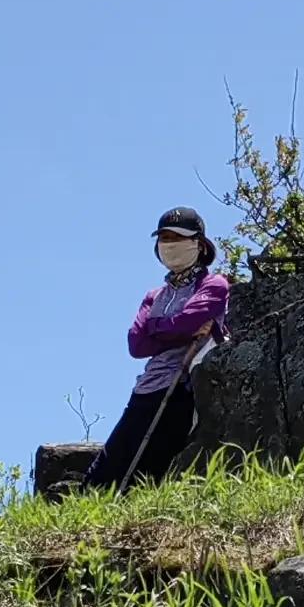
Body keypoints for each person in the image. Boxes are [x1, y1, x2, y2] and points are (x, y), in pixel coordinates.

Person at [91, 207, 230, 490]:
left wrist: (163, 327)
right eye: (164, 238)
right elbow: (137, 344)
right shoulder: (155, 295)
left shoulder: (213, 286)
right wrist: (175, 328)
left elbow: (180, 324)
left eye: (177, 237)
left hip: (183, 387)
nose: (169, 245)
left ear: (198, 244)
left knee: (151, 464)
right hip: (147, 388)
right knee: (108, 465)